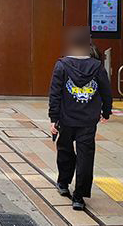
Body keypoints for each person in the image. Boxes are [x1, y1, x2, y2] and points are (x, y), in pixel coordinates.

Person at [48, 27, 112, 211]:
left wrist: (54, 118)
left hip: (66, 119)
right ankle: (79, 197)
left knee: (65, 150)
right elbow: (106, 92)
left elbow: (55, 94)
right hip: (88, 120)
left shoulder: (62, 65)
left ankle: (63, 183)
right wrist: (106, 112)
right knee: (86, 156)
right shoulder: (97, 67)